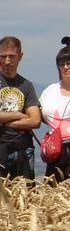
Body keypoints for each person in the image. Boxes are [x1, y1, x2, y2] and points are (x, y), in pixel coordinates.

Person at [0, 36, 42, 181]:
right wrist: (18, 114)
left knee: (25, 199)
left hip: (23, 150)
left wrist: (2, 120)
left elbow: (35, 121)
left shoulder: (26, 85)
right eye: (3, 56)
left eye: (11, 56)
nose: (6, 61)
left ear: (20, 56)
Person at [40, 37, 70, 182]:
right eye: (62, 64)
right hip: (56, 151)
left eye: (69, 63)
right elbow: (38, 116)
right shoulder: (49, 91)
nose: (65, 67)